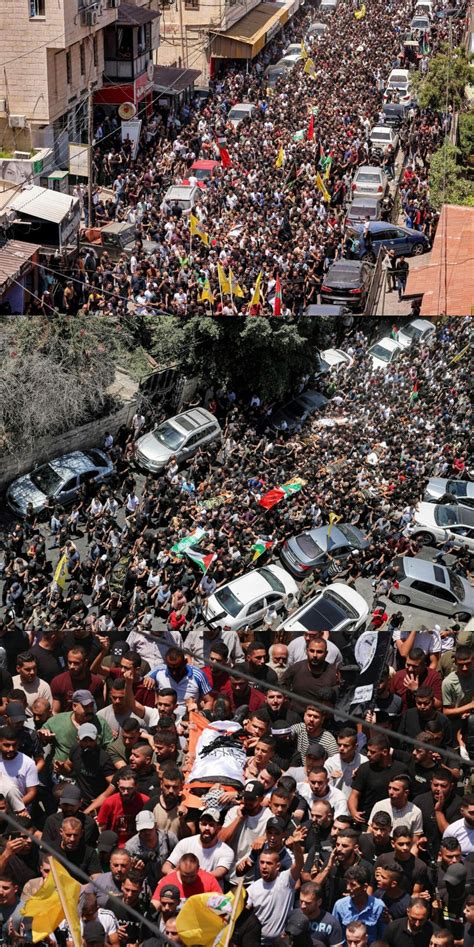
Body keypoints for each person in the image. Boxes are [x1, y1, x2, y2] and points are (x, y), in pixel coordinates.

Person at [246, 826, 306, 945]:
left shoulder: (286, 880)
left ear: (278, 866)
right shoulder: (252, 889)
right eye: (262, 862)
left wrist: (296, 844)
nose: (264, 866)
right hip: (258, 942)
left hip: (280, 943)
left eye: (268, 863)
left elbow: (299, 863)